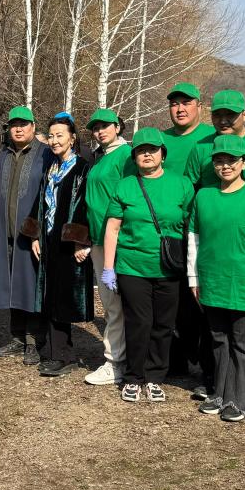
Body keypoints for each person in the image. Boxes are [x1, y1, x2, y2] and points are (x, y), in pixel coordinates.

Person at [187, 134, 245, 422]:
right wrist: (193, 278)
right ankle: (220, 394)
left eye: (231, 160)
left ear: (244, 163)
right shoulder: (204, 196)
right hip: (212, 279)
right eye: (219, 160)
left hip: (243, 282)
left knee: (242, 342)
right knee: (217, 339)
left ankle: (243, 401)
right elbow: (194, 238)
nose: (225, 166)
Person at [100, 127, 194, 403]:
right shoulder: (125, 186)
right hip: (132, 267)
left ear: (163, 154)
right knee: (138, 323)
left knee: (163, 324)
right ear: (135, 157)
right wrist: (109, 267)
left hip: (169, 267)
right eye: (141, 151)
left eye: (153, 150)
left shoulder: (182, 184)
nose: (147, 155)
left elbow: (191, 227)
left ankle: (154, 378)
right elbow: (112, 228)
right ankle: (133, 377)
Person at [161, 82, 218, 394]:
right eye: (174, 104)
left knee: (201, 298)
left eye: (186, 103)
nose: (180, 109)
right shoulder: (161, 141)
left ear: (199, 106)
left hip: (203, 231)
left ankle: (206, 363)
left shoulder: (211, 137)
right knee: (174, 299)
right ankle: (177, 358)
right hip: (169, 233)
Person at [28, 113, 93, 377]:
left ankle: (64, 356)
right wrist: (34, 235)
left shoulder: (82, 169)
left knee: (64, 298)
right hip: (49, 240)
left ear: (72, 138)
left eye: (60, 136)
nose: (55, 141)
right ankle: (55, 351)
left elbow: (85, 207)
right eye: (51, 136)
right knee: (50, 295)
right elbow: (39, 203)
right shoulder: (51, 168)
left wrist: (80, 242)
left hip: (68, 244)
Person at [0, 107, 54, 365]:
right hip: (6, 233)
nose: (18, 129)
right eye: (14, 125)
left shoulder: (46, 154)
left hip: (33, 235)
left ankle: (34, 340)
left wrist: (40, 232)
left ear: (33, 126)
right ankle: (17, 337)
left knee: (32, 287)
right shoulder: (2, 156)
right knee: (12, 286)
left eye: (23, 124)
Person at [82, 108, 133, 387]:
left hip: (118, 241)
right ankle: (120, 359)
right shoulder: (101, 156)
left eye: (105, 126)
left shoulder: (125, 155)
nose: (100, 131)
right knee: (112, 303)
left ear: (117, 127)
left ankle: (115, 362)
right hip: (98, 240)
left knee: (116, 304)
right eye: (96, 127)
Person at [184, 90, 245, 189]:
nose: (223, 121)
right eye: (217, 114)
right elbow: (189, 188)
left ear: (244, 115)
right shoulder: (201, 147)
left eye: (230, 114)